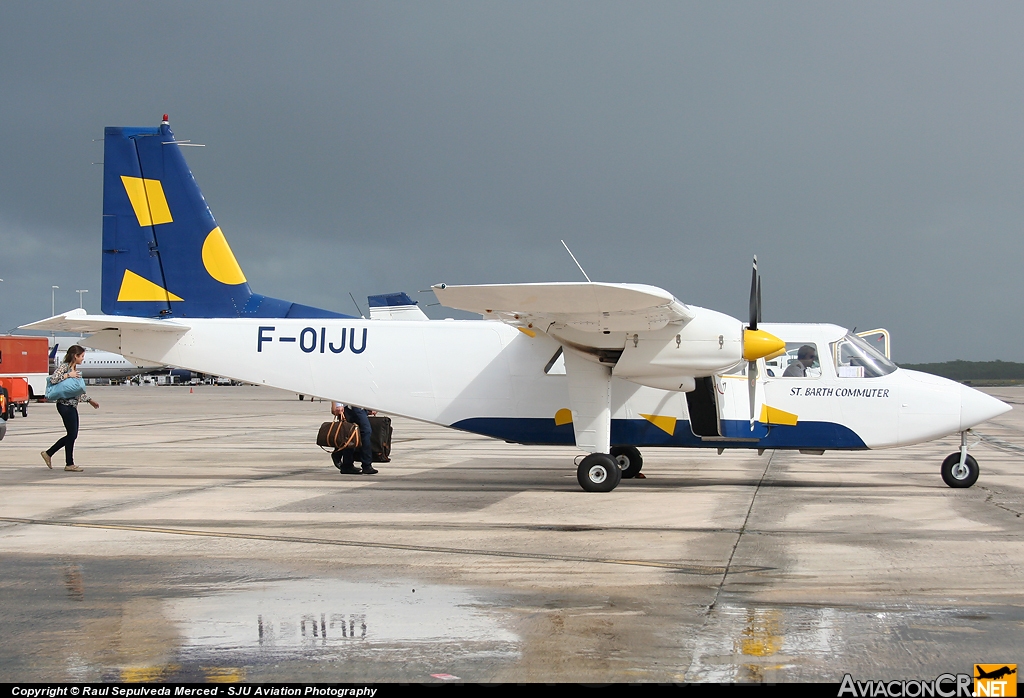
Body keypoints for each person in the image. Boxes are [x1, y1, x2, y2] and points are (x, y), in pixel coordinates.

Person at [41, 345, 99, 472]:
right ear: (75, 356)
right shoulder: (65, 367)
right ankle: (64, 460)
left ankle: (57, 457)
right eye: (82, 356)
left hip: (72, 405)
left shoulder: (74, 369)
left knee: (72, 435)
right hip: (64, 405)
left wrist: (89, 400)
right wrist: (68, 375)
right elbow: (53, 379)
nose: (83, 359)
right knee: (72, 434)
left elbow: (75, 391)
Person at [330, 401, 377, 475]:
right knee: (364, 432)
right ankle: (366, 465)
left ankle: (347, 463)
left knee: (350, 434)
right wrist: (338, 404)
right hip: (351, 406)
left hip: (358, 406)